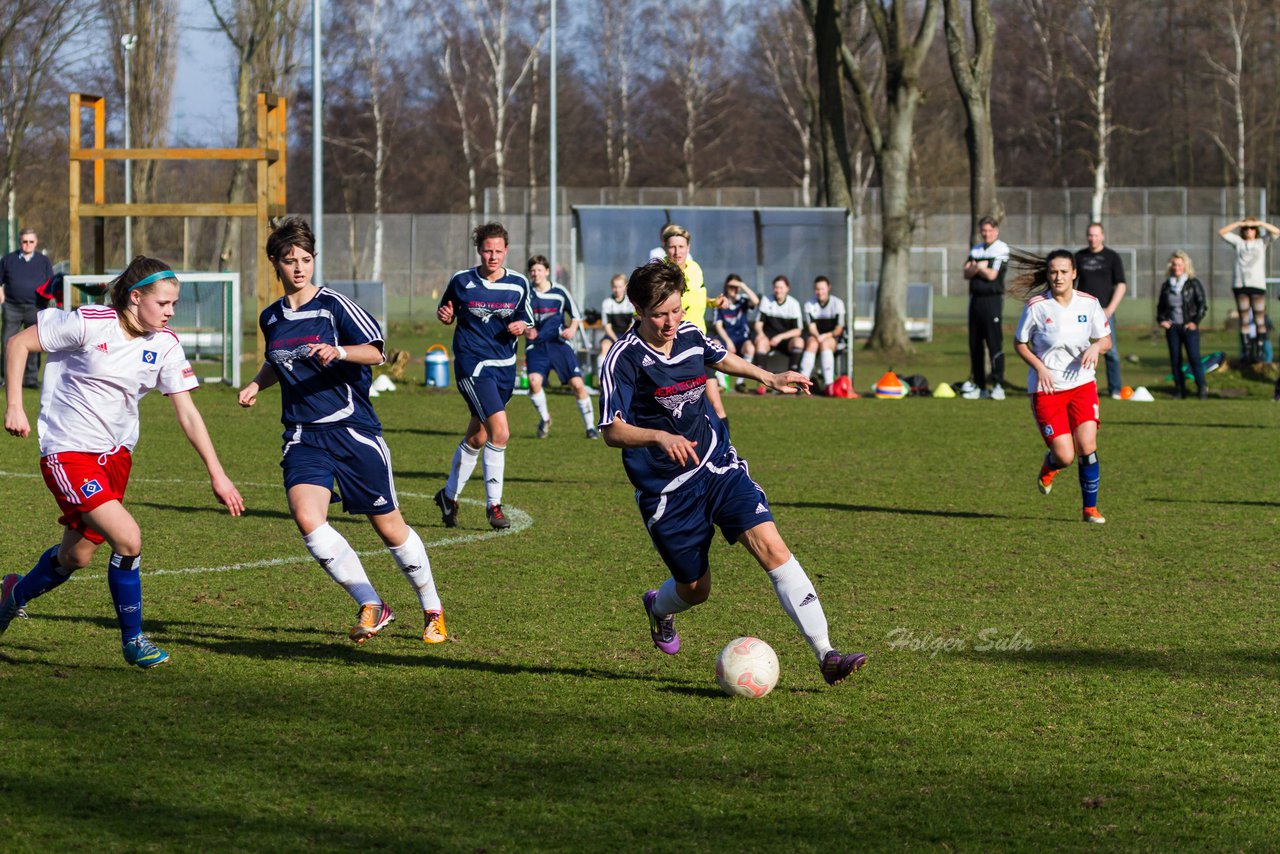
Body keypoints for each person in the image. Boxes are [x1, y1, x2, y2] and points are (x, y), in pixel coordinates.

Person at [598, 259, 867, 686]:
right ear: (638, 311)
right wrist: (658, 438)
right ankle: (659, 608)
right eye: (659, 314)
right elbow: (612, 430)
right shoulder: (623, 358)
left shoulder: (688, 333)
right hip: (666, 489)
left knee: (772, 547)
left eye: (676, 310)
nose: (670, 322)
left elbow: (721, 358)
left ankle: (827, 654)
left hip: (715, 462)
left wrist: (769, 376)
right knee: (695, 590)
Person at [0, 257, 245, 667]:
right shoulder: (89, 322)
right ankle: (134, 641)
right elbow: (17, 343)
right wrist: (14, 406)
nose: (170, 311)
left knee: (74, 558)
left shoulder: (165, 344)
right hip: (68, 451)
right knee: (129, 538)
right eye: (164, 303)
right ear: (135, 297)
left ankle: (11, 597)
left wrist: (217, 475)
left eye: (174, 303)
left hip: (116, 459)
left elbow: (187, 413)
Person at [237, 218, 446, 645]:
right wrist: (258, 383)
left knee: (389, 528)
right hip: (302, 435)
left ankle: (433, 608)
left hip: (352, 430)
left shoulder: (334, 305)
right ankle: (373, 603)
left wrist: (340, 351)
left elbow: (377, 351)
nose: (299, 268)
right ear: (275, 264)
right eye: (290, 260)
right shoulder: (271, 316)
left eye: (306, 260)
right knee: (308, 519)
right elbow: (280, 360)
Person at [434, 222, 535, 531]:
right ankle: (494, 507)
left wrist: (522, 326)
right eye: (487, 250)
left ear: (506, 251)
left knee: (478, 436)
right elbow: (447, 312)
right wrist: (447, 317)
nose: (493, 256)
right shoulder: (462, 280)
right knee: (499, 432)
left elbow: (527, 317)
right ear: (479, 250)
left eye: (498, 251)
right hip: (473, 365)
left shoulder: (518, 283)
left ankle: (448, 497)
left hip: (504, 367)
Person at [1011, 249, 1112, 524]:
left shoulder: (1089, 304)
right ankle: (1050, 464)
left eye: (1064, 272)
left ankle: (1089, 509)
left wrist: (1096, 347)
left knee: (1087, 445)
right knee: (1066, 456)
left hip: (1082, 385)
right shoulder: (1036, 306)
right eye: (1054, 271)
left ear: (1074, 274)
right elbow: (1019, 343)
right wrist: (1039, 367)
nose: (1058, 277)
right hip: (1048, 388)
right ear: (1048, 274)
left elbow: (1106, 340)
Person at [660, 223, 729, 426]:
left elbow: (696, 297)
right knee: (679, 408)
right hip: (674, 347)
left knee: (715, 404)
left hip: (699, 343)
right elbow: (643, 309)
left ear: (688, 248)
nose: (677, 251)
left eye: (681, 247)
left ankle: (725, 453)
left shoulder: (695, 269)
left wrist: (713, 302)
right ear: (665, 248)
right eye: (672, 247)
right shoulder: (660, 274)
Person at [524, 254, 598, 439]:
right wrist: (526, 330)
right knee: (534, 383)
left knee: (578, 385)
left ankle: (590, 428)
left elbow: (575, 315)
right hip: (536, 346)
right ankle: (545, 418)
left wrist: (572, 328)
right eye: (533, 270)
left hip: (558, 344)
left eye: (539, 270)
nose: (536, 274)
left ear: (547, 272)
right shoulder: (526, 294)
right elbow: (518, 319)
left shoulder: (560, 292)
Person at [1074, 223, 1127, 398]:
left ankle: (1115, 390)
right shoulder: (1079, 257)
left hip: (1104, 312)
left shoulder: (1112, 257)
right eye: (1090, 235)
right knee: (1077, 348)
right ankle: (1077, 386)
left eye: (1096, 235)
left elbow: (1121, 284)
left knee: (1111, 352)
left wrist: (1110, 309)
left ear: (1102, 236)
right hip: (1080, 312)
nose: (1093, 238)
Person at [1218, 217, 1280, 363]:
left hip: (1257, 285)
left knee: (1259, 319)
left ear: (1256, 230)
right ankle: (1246, 351)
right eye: (1246, 228)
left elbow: (1277, 232)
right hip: (1240, 284)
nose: (1249, 231)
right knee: (1244, 319)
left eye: (1251, 228)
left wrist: (1258, 223)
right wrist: (1240, 223)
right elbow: (1222, 232)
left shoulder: (1261, 242)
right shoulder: (1239, 243)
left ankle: (1259, 349)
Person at [961, 217, 1010, 400]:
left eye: (989, 230)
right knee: (975, 344)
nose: (986, 234)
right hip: (975, 301)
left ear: (996, 231)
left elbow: (992, 275)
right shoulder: (976, 249)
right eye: (983, 231)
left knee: (994, 342)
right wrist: (978, 267)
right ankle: (979, 385)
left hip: (992, 301)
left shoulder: (1001, 249)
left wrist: (978, 268)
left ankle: (998, 384)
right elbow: (966, 273)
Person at [1, 228, 55, 388]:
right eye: (25, 241)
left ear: (36, 243)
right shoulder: (8, 260)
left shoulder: (43, 261)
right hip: (12, 307)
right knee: (7, 342)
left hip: (36, 307)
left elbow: (50, 282)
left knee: (33, 343)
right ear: (20, 242)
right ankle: (5, 378)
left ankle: (30, 379)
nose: (28, 244)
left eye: (31, 241)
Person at [1156, 251, 1208, 400]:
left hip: (1188, 328)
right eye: (1174, 264)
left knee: (1194, 358)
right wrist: (1162, 320)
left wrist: (1195, 322)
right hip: (1173, 328)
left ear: (1185, 265)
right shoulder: (1167, 285)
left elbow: (1202, 306)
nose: (1176, 267)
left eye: (1179, 264)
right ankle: (1180, 389)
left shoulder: (1193, 283)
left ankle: (1202, 388)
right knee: (1175, 359)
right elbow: (1160, 307)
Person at [751, 275, 804, 393]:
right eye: (776, 287)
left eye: (781, 287)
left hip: (786, 340)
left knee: (799, 342)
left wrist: (780, 337)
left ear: (787, 289)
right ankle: (762, 384)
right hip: (769, 339)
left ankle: (791, 381)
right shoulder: (766, 300)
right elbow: (758, 324)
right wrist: (761, 334)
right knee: (760, 342)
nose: (778, 290)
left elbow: (798, 330)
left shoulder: (793, 304)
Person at [800, 275, 846, 392]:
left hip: (833, 338)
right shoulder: (809, 304)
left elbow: (839, 329)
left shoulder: (838, 303)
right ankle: (802, 382)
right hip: (816, 337)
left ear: (828, 288)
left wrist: (825, 336)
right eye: (817, 289)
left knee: (825, 344)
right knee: (812, 344)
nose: (820, 292)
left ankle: (829, 385)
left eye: (822, 289)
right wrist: (818, 337)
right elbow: (812, 327)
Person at [713, 273, 759, 390]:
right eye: (731, 286)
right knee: (714, 344)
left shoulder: (743, 300)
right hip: (726, 337)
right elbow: (718, 326)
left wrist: (742, 285)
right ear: (726, 287)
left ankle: (739, 383)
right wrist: (728, 342)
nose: (733, 290)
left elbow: (756, 301)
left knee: (750, 348)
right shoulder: (720, 302)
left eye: (736, 287)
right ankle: (722, 384)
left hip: (741, 338)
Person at [599, 273, 634, 362]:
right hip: (612, 336)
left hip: (628, 335)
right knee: (604, 346)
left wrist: (624, 339)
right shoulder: (607, 303)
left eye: (620, 286)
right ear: (611, 287)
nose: (617, 290)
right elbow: (607, 327)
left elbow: (632, 325)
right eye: (615, 287)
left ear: (625, 286)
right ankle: (602, 375)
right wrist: (616, 340)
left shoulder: (630, 302)